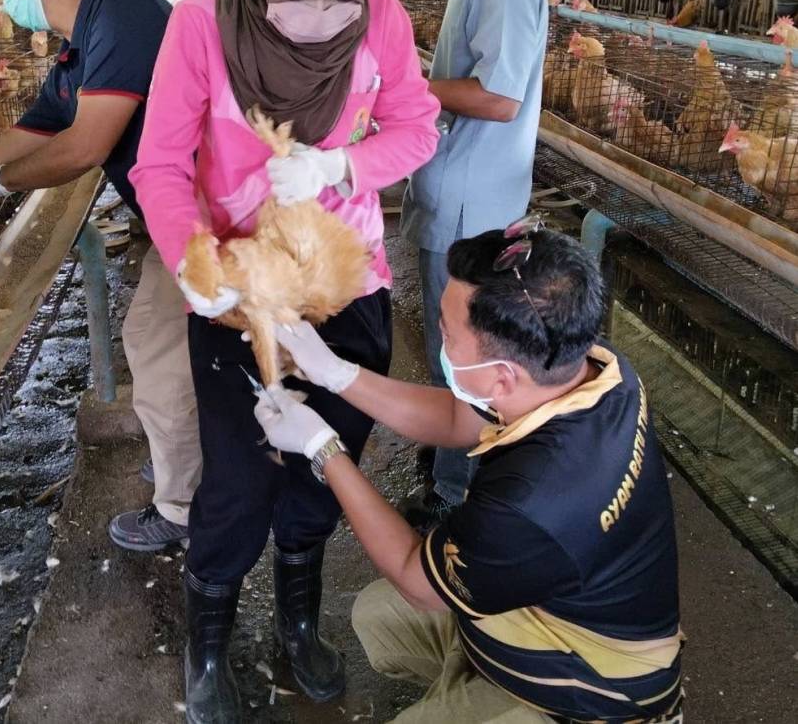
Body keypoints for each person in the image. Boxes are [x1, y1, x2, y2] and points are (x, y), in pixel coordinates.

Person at [129, 0, 439, 722]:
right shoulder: (202, 24)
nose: (319, 25)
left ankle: (298, 621)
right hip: (241, 287)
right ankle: (207, 646)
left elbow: (417, 127)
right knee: (238, 477)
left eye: (339, 6)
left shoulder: (383, 16)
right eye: (297, 5)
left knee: (324, 465)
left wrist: (342, 164)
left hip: (346, 282)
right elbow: (159, 163)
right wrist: (191, 259)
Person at [255, 222, 684, 724]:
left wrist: (322, 448)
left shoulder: (528, 506)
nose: (439, 337)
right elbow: (459, 419)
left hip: (595, 691)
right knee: (379, 616)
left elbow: (416, 579)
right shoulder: (598, 371)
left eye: (447, 333)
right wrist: (335, 373)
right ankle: (469, 684)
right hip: (543, 606)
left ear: (502, 377)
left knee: (409, 600)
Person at [0, 0, 201, 551]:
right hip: (180, 218)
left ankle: (186, 507)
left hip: (211, 215)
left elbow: (83, 147)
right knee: (183, 345)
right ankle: (196, 455)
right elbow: (14, 144)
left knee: (154, 345)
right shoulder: (74, 58)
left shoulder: (125, 9)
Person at [399, 0, 549, 526]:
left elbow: (500, 97)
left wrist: (410, 88)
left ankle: (455, 493)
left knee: (461, 348)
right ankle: (450, 456)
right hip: (463, 187)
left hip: (473, 200)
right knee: (449, 340)